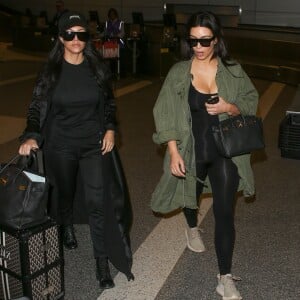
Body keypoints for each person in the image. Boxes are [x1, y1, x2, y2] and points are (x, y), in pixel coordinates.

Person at [18, 11, 134, 290]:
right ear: (60, 38)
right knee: (64, 195)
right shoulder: (50, 72)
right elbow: (36, 108)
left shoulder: (97, 69)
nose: (76, 40)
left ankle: (101, 262)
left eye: (81, 34)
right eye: (69, 34)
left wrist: (109, 128)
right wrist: (31, 135)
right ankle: (66, 224)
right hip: (60, 145)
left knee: (98, 203)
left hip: (93, 145)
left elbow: (109, 104)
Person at [151, 11, 258, 300]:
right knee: (191, 195)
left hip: (225, 152)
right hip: (191, 149)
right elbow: (164, 113)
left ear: (217, 40)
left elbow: (251, 100)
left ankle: (224, 277)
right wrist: (173, 151)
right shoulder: (179, 72)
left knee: (225, 214)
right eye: (193, 41)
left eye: (204, 41)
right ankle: (191, 226)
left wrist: (229, 108)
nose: (198, 47)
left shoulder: (232, 70)